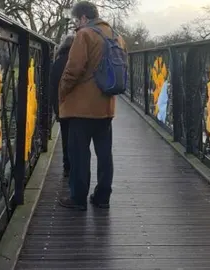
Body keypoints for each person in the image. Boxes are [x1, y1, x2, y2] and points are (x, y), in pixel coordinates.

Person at [57, 1, 127, 211]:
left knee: (79, 154)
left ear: (84, 18)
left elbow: (73, 69)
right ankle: (102, 197)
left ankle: (78, 198)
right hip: (107, 105)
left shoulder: (85, 35)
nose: (76, 25)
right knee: (105, 153)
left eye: (76, 21)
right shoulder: (117, 36)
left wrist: (61, 91)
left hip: (82, 108)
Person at [49, 34, 75, 178]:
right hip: (78, 106)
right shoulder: (78, 61)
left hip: (62, 105)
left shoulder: (58, 62)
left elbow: (53, 87)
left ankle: (67, 165)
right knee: (77, 137)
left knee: (65, 135)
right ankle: (77, 165)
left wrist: (55, 108)